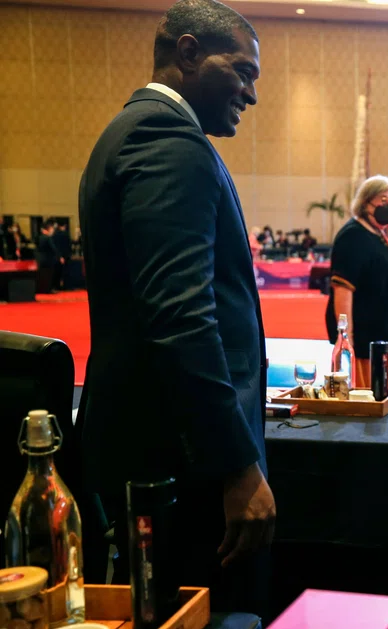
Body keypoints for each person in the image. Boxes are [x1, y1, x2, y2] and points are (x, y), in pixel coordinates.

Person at [77, 0, 274, 616]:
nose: (251, 94)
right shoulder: (168, 138)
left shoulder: (137, 130)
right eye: (242, 72)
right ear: (189, 53)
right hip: (179, 466)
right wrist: (237, 466)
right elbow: (181, 318)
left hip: (156, 449)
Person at [326, 175, 388, 389]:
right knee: (368, 391)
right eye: (383, 200)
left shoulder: (380, 233)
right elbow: (343, 289)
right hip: (365, 333)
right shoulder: (353, 236)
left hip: (386, 328)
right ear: (366, 203)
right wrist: (346, 335)